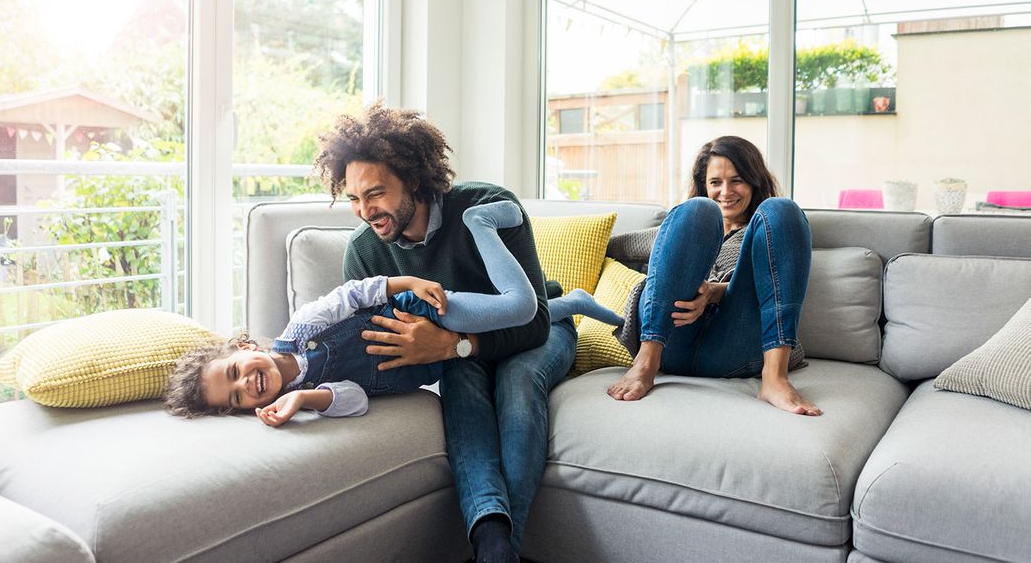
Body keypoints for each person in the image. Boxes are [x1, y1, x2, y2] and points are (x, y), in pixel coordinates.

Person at [314, 101, 578, 562]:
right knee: (460, 380)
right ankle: (495, 547)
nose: (364, 211)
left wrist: (458, 343)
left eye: (374, 193)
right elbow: (382, 341)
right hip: (460, 355)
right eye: (353, 198)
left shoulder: (487, 206)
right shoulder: (364, 256)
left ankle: (498, 551)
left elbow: (533, 320)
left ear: (412, 179)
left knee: (517, 383)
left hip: (545, 327)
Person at [164, 201, 620, 426]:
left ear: (245, 348)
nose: (247, 384)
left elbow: (357, 293)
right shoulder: (312, 389)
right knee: (517, 315)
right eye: (238, 397)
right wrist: (305, 400)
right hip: (437, 354)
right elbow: (355, 400)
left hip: (422, 310)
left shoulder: (301, 326)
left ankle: (480, 223)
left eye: (236, 372)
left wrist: (409, 283)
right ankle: (571, 302)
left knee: (521, 307)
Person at [607, 135, 821, 416]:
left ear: (754, 181)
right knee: (698, 209)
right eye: (716, 182)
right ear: (704, 185)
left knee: (782, 208)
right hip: (673, 335)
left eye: (737, 180)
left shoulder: (765, 231)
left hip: (734, 342)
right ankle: (646, 363)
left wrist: (713, 292)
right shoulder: (687, 227)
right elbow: (609, 246)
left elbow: (775, 280)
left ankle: (775, 378)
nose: (726, 192)